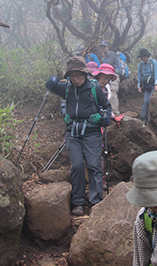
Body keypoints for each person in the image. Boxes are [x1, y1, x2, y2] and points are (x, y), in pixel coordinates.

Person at [45, 56, 111, 216]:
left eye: (79, 74)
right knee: (77, 167)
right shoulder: (66, 88)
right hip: (73, 133)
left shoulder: (95, 88)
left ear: (86, 74)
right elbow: (51, 86)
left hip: (92, 132)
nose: (76, 78)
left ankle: (96, 202)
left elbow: (106, 107)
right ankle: (78, 202)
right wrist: (51, 82)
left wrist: (105, 118)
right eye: (73, 75)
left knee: (94, 166)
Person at [137, 48, 157, 126]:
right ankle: (143, 118)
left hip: (153, 85)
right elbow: (139, 76)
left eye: (144, 57)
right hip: (146, 86)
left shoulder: (153, 62)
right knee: (145, 101)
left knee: (150, 101)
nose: (143, 59)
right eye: (142, 57)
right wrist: (139, 86)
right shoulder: (140, 65)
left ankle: (152, 118)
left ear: (148, 56)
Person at [99, 40, 120, 116]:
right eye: (101, 47)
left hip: (114, 75)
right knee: (109, 92)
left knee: (113, 92)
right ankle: (110, 112)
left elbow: (107, 65)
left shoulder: (111, 54)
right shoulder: (105, 56)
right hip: (108, 76)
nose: (103, 48)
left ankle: (115, 112)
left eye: (104, 47)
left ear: (108, 47)